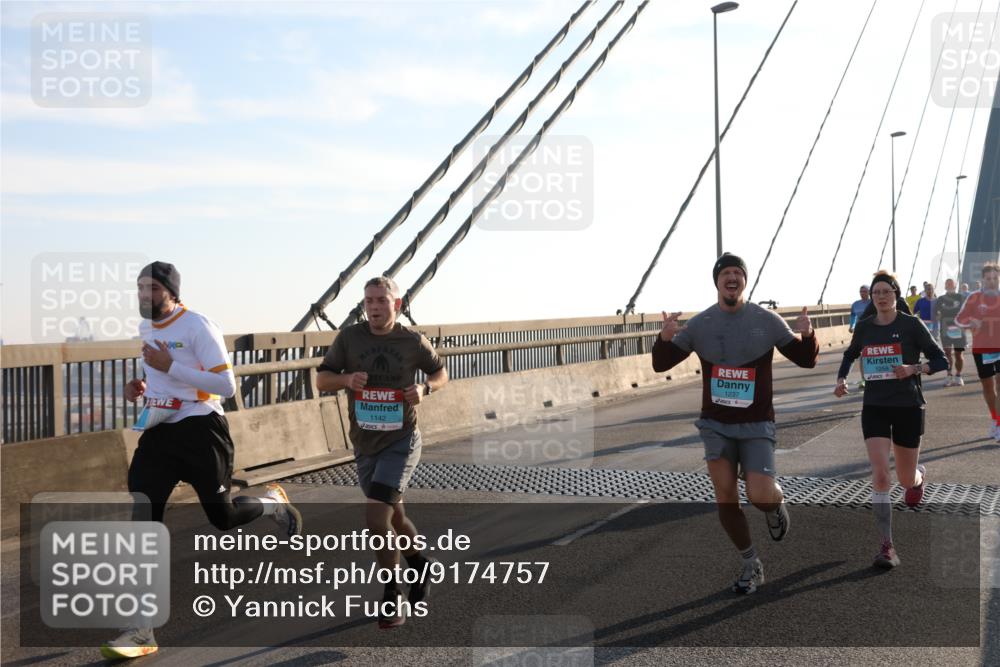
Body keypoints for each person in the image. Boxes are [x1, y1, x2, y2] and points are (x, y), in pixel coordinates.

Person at [102, 262, 301, 660]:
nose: (145, 295)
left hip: (201, 431)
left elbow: (225, 385)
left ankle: (271, 503)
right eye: (140, 287)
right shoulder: (146, 329)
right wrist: (140, 387)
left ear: (172, 292)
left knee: (222, 517)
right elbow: (160, 379)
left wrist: (168, 366)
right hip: (158, 432)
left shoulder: (197, 326)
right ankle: (141, 629)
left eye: (153, 288)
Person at [652, 253, 818, 595]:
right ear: (716, 281)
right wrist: (664, 338)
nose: (731, 277)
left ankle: (775, 504)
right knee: (725, 497)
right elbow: (661, 364)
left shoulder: (767, 320)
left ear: (745, 280)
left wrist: (808, 335)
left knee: (759, 494)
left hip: (757, 423)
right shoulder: (700, 324)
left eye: (737, 273)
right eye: (725, 273)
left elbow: (806, 360)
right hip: (715, 424)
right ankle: (751, 564)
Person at [316, 276, 449, 628]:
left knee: (376, 518)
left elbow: (440, 373)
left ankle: (393, 594)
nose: (374, 307)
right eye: (369, 301)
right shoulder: (349, 338)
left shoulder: (411, 341)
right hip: (364, 443)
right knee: (393, 517)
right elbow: (322, 379)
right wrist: (345, 380)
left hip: (401, 441)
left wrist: (425, 388)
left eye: (381, 301)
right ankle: (420, 564)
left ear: (397, 304)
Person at [833, 271, 947, 569]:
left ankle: (918, 477)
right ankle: (887, 546)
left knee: (905, 479)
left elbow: (940, 360)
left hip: (908, 406)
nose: (881, 297)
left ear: (895, 295)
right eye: (876, 293)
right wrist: (841, 379)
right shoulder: (866, 327)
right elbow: (849, 355)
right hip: (875, 406)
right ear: (871, 298)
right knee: (881, 474)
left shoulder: (911, 325)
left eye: (886, 291)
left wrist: (913, 368)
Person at [954, 262, 1000, 441]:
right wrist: (970, 321)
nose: (992, 282)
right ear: (982, 280)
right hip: (982, 349)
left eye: (995, 278)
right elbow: (959, 319)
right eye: (988, 279)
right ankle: (995, 420)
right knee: (988, 388)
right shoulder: (973, 297)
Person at [935, 278, 967, 386]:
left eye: (951, 284)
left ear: (954, 285)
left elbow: (966, 312)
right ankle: (949, 375)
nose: (949, 285)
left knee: (958, 354)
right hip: (945, 329)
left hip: (958, 330)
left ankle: (958, 375)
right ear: (945, 286)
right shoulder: (940, 299)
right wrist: (937, 316)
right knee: (947, 353)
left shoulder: (961, 297)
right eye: (947, 284)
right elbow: (936, 313)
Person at [849, 285, 871, 388]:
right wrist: (852, 326)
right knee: (863, 356)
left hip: (873, 331)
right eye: (861, 291)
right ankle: (864, 379)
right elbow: (853, 316)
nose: (863, 293)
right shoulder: (855, 304)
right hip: (860, 332)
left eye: (865, 291)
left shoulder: (874, 303)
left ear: (869, 292)